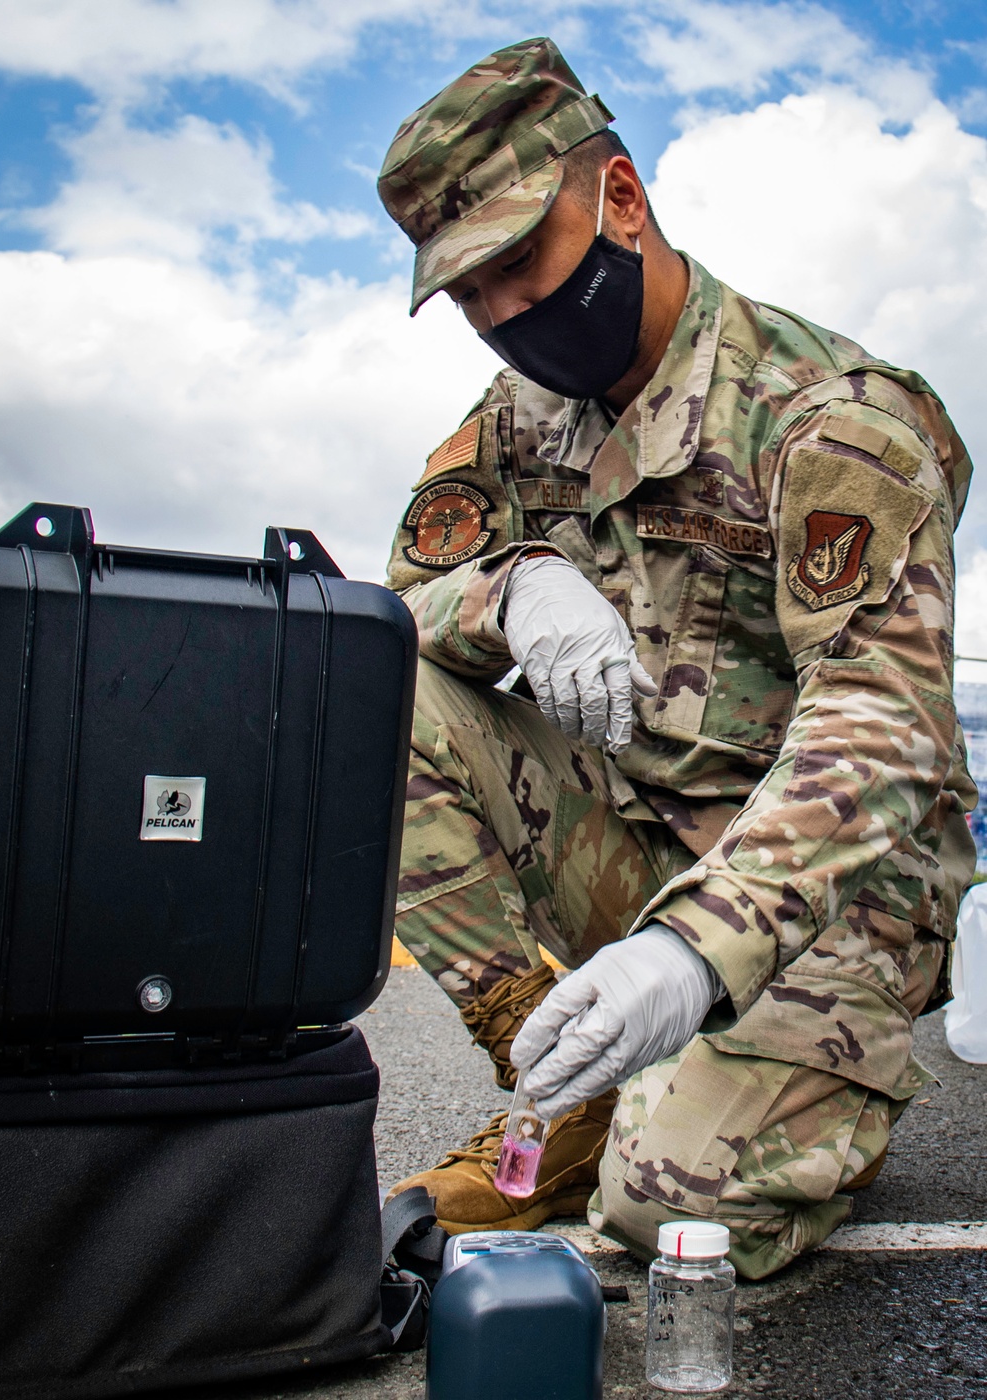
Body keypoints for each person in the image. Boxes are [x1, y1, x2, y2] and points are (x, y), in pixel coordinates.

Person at [375, 36, 977, 1278]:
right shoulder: (518, 422)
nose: (500, 316)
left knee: (666, 1213)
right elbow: (393, 611)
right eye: (467, 292)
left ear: (622, 202)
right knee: (371, 698)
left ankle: (809, 1086)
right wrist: (514, 586)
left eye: (513, 264)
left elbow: (884, 721)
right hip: (638, 837)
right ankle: (559, 1073)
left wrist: (693, 948)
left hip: (829, 898)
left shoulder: (831, 415)